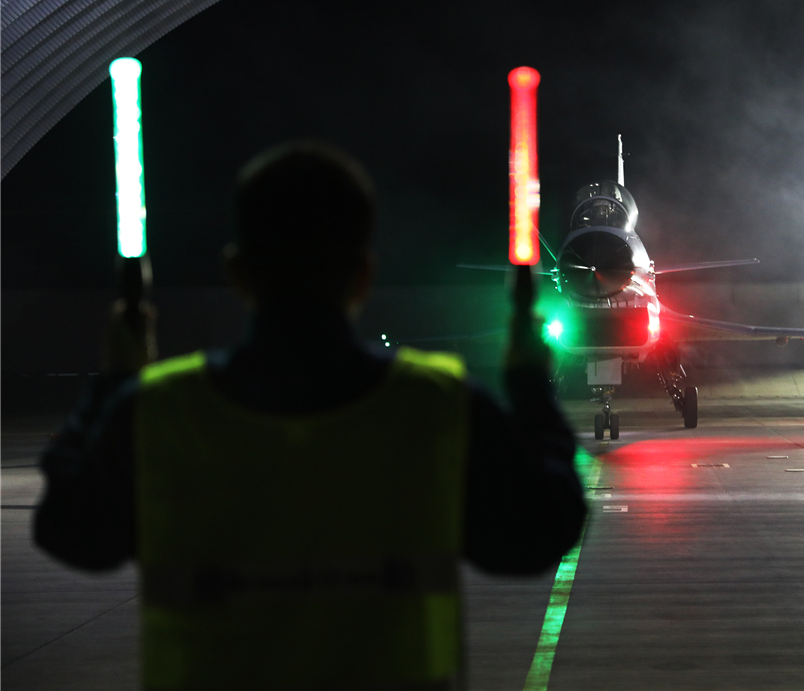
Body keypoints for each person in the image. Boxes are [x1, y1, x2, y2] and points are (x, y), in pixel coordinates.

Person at [35, 141, 586, 690]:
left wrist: (113, 383)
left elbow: (70, 532)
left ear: (236, 272)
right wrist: (530, 387)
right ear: (363, 273)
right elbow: (539, 533)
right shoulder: (439, 403)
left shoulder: (160, 410)